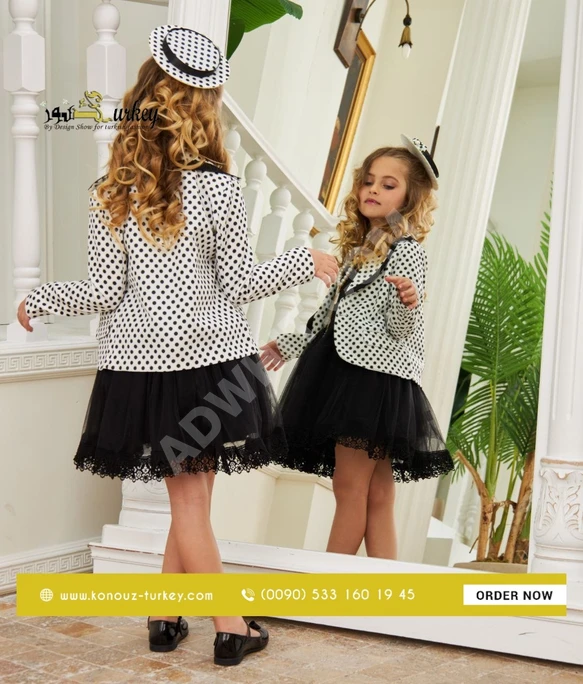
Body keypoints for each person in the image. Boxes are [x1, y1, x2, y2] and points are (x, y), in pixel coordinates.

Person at [16, 25, 338, 666]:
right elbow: (240, 283)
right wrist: (306, 262)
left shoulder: (113, 191)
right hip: (212, 364)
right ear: (204, 108)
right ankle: (230, 626)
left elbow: (104, 291)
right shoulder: (219, 187)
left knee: (192, 497)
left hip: (142, 369)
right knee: (193, 497)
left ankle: (165, 616)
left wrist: (42, 298)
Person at [260, 137, 454, 561]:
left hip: (370, 381)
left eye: (388, 185)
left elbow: (399, 329)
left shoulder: (406, 251)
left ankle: (328, 587)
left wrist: (409, 302)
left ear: (409, 198)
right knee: (378, 493)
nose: (373, 190)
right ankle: (385, 590)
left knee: (349, 487)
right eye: (368, 181)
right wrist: (287, 344)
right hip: (348, 373)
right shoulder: (359, 252)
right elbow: (326, 318)